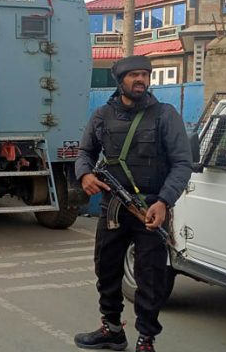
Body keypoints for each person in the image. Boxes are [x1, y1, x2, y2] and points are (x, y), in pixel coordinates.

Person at [73, 55, 192, 352]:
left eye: (145, 75)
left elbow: (182, 163)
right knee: (107, 269)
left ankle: (146, 339)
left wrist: (164, 201)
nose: (141, 80)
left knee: (149, 277)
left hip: (151, 209)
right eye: (133, 75)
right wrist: (84, 174)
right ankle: (111, 329)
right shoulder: (102, 115)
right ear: (120, 80)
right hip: (113, 207)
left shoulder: (165, 115)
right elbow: (84, 152)